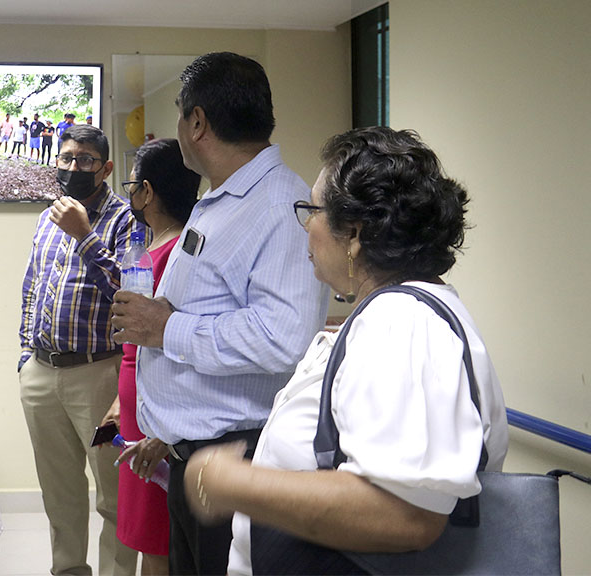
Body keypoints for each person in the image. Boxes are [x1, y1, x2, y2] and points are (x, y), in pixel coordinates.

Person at [180, 126, 510, 575]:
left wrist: (234, 483)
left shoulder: (401, 324)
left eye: (311, 210)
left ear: (352, 233)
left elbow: (405, 514)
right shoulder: (395, 316)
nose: (306, 227)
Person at [110, 52, 328, 575]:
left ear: (198, 122)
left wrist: (165, 327)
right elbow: (210, 311)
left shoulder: (277, 207)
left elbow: (283, 338)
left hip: (238, 460)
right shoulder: (220, 201)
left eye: (181, 116)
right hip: (192, 457)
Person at [19, 124, 142, 576]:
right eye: (67, 158)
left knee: (113, 495)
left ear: (106, 168)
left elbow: (129, 295)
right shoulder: (46, 216)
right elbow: (33, 286)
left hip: (99, 379)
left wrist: (85, 235)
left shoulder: (128, 219)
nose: (74, 167)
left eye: (85, 160)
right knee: (59, 494)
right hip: (41, 373)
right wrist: (24, 356)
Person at [102, 139, 200, 576]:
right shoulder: (148, 248)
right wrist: (119, 405)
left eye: (131, 187)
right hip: (136, 406)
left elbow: (177, 348)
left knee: (158, 539)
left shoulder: (177, 256)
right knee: (144, 534)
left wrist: (161, 428)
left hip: (157, 417)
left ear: (146, 191)